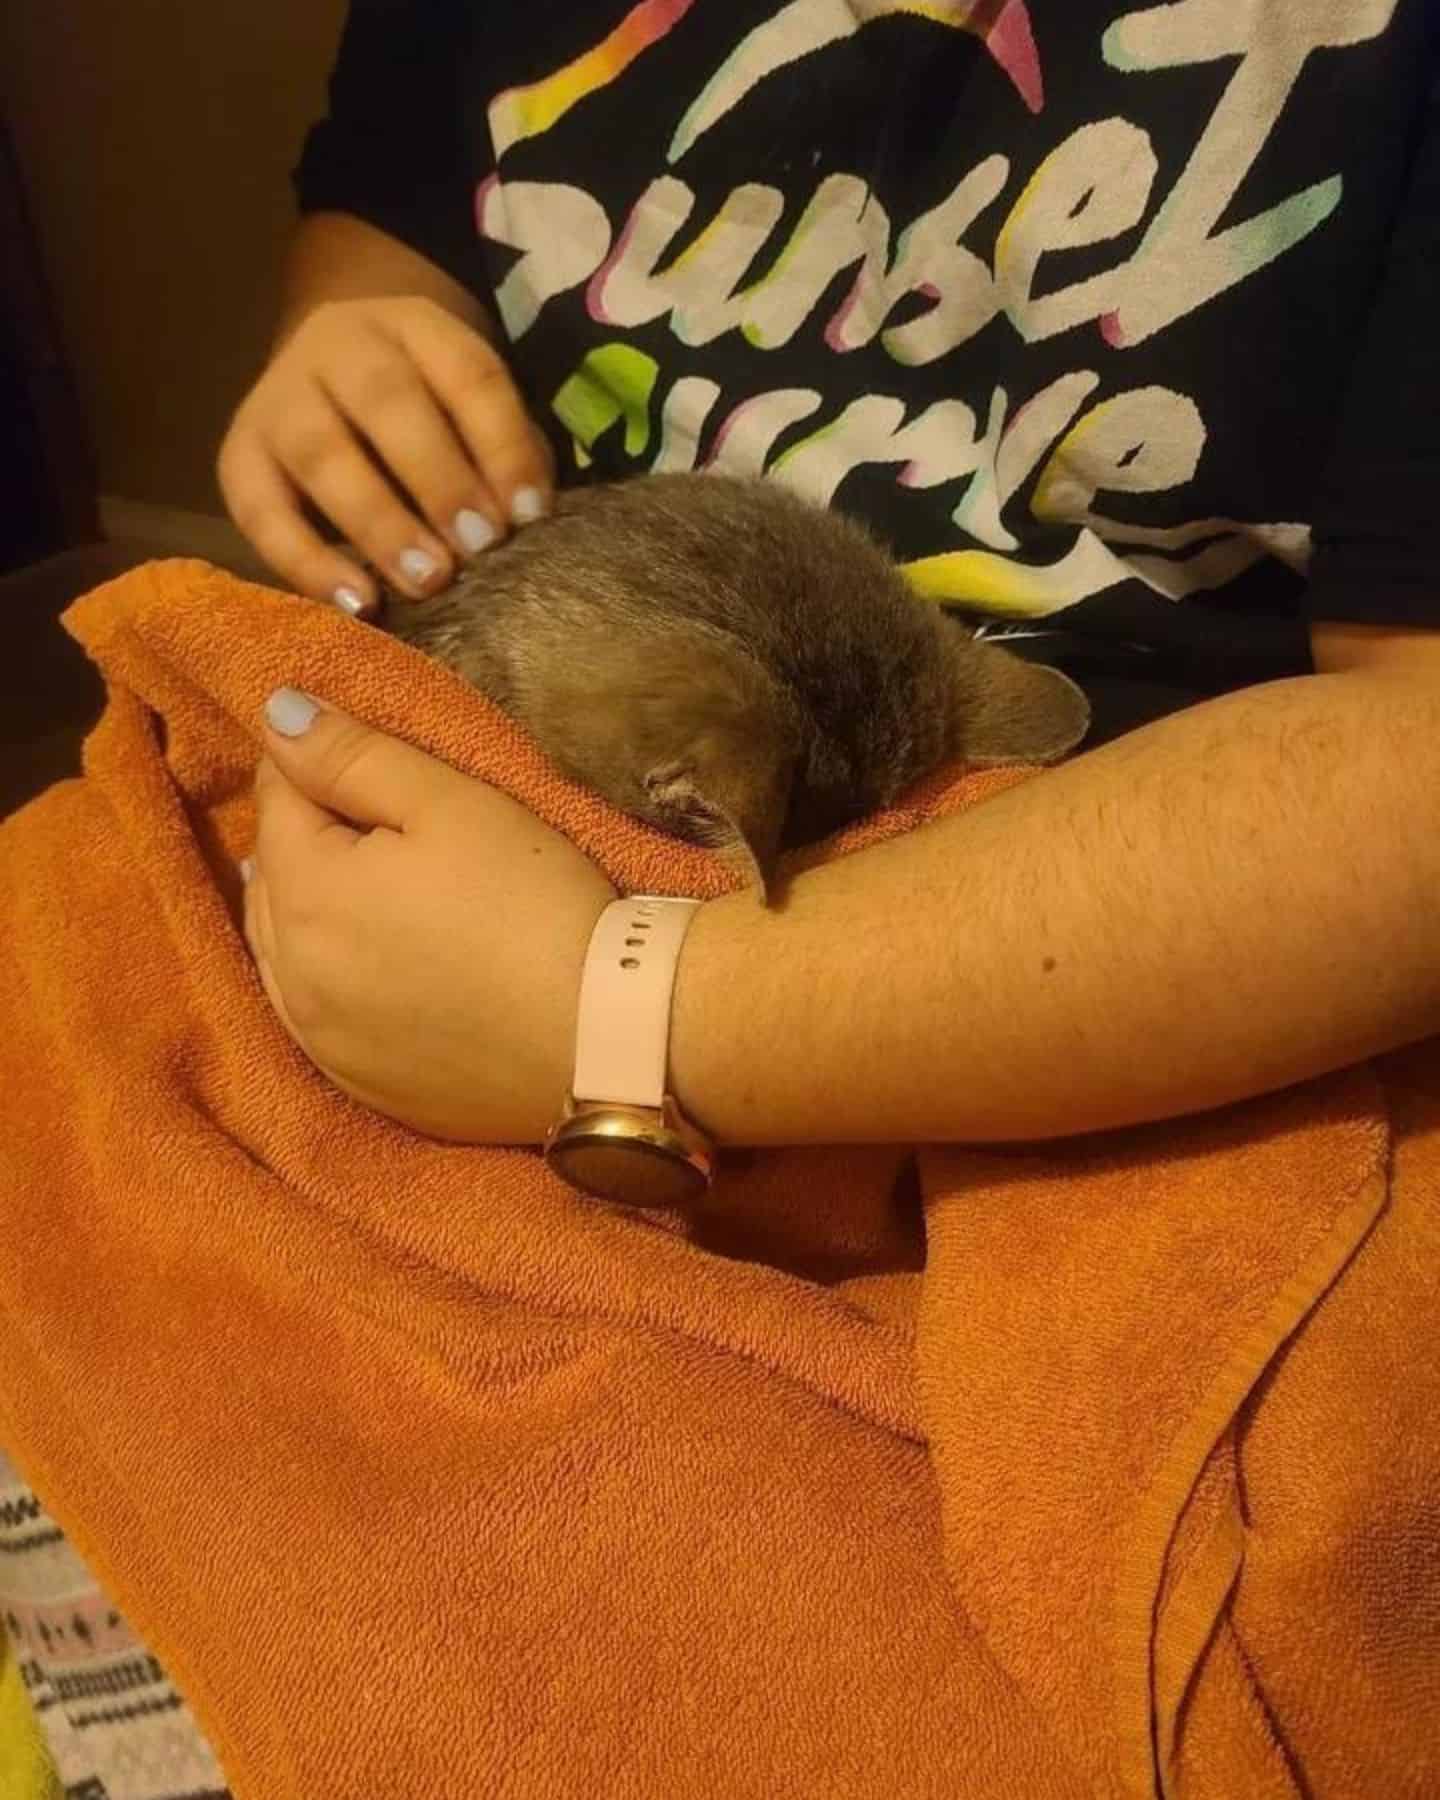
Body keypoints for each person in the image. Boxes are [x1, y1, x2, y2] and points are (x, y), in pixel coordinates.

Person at [226, 0, 1440, 1159]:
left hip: (1149, 915)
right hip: (546, 771)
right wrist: (356, 324)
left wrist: (638, 1014)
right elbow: (389, 206)